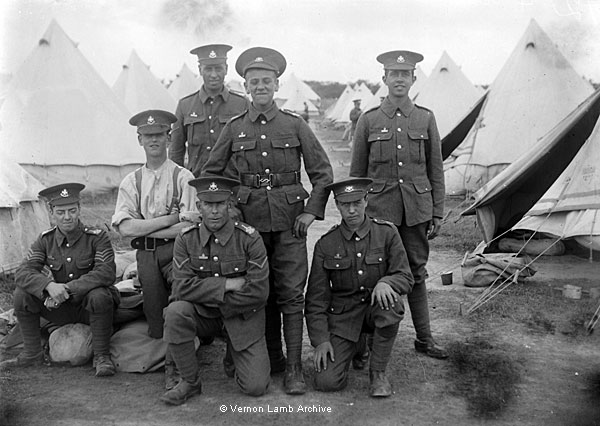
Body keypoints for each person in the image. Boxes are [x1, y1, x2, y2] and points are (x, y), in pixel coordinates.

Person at [202, 47, 334, 395]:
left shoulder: (295, 124)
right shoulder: (234, 128)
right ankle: (269, 357)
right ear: (245, 85)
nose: (260, 86)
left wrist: (311, 211)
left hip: (291, 222)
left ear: (276, 85)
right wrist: (231, 212)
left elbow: (322, 172)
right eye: (253, 82)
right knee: (257, 292)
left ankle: (293, 369)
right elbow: (212, 175)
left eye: (266, 81)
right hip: (250, 226)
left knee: (290, 294)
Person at [350, 50, 448, 359]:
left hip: (416, 210)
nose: (400, 79)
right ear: (384, 79)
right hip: (380, 212)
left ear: (414, 79)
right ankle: (364, 343)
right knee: (373, 273)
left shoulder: (425, 118)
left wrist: (437, 211)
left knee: (416, 271)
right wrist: (358, 213)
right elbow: (357, 175)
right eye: (394, 74)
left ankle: (425, 338)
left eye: (405, 75)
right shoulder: (368, 120)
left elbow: (435, 169)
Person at [160, 176, 270, 405]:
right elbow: (180, 286)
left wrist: (205, 294)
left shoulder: (249, 238)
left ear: (229, 205)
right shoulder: (186, 239)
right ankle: (190, 382)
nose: (215, 211)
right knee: (176, 312)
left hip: (242, 316)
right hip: (206, 316)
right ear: (199, 207)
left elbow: (259, 292)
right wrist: (227, 285)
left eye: (220, 204)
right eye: (208, 205)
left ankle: (234, 354)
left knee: (255, 387)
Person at [112, 110, 198, 388]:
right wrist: (168, 220)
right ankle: (167, 355)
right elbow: (125, 228)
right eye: (148, 136)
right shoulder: (131, 181)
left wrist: (147, 226)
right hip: (145, 256)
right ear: (140, 139)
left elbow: (189, 227)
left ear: (168, 137)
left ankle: (176, 369)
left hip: (176, 251)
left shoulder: (184, 177)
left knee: (178, 306)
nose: (154, 141)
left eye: (159, 135)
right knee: (155, 319)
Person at [305, 178, 413, 396]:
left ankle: (378, 373)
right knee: (327, 382)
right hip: (345, 317)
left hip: (376, 308)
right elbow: (316, 298)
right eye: (345, 205)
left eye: (357, 202)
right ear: (337, 205)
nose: (352, 210)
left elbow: (406, 277)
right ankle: (358, 346)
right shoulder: (326, 244)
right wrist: (321, 341)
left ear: (366, 200)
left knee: (391, 301)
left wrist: (386, 282)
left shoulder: (387, 233)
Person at [0, 183, 119, 377]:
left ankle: (101, 357)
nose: (67, 217)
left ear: (79, 209)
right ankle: (32, 354)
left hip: (89, 308)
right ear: (51, 212)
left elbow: (105, 272)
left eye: (72, 211)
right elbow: (23, 271)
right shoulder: (45, 240)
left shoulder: (97, 237)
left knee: (99, 295)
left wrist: (67, 289)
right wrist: (48, 285)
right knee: (22, 295)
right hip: (60, 309)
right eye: (61, 211)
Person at [169, 44, 249, 177]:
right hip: (197, 182)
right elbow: (176, 152)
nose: (214, 75)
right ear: (200, 70)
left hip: (233, 184)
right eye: (208, 69)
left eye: (218, 69)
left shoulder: (241, 104)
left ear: (226, 69)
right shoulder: (185, 105)